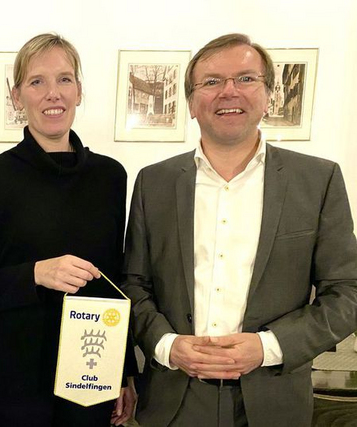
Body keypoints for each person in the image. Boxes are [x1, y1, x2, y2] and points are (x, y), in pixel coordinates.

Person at [121, 33, 357, 427]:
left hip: (274, 401)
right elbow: (134, 284)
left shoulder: (319, 180)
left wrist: (268, 347)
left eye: (246, 78)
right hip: (174, 402)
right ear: (191, 103)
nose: (228, 91)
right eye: (212, 81)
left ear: (268, 97)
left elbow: (348, 292)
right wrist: (167, 345)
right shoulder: (153, 182)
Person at [0, 33, 137, 426]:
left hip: (91, 376)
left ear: (79, 91)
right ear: (17, 96)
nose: (53, 93)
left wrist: (123, 373)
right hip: (11, 383)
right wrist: (36, 274)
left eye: (64, 79)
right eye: (37, 81)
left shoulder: (110, 177)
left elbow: (115, 284)